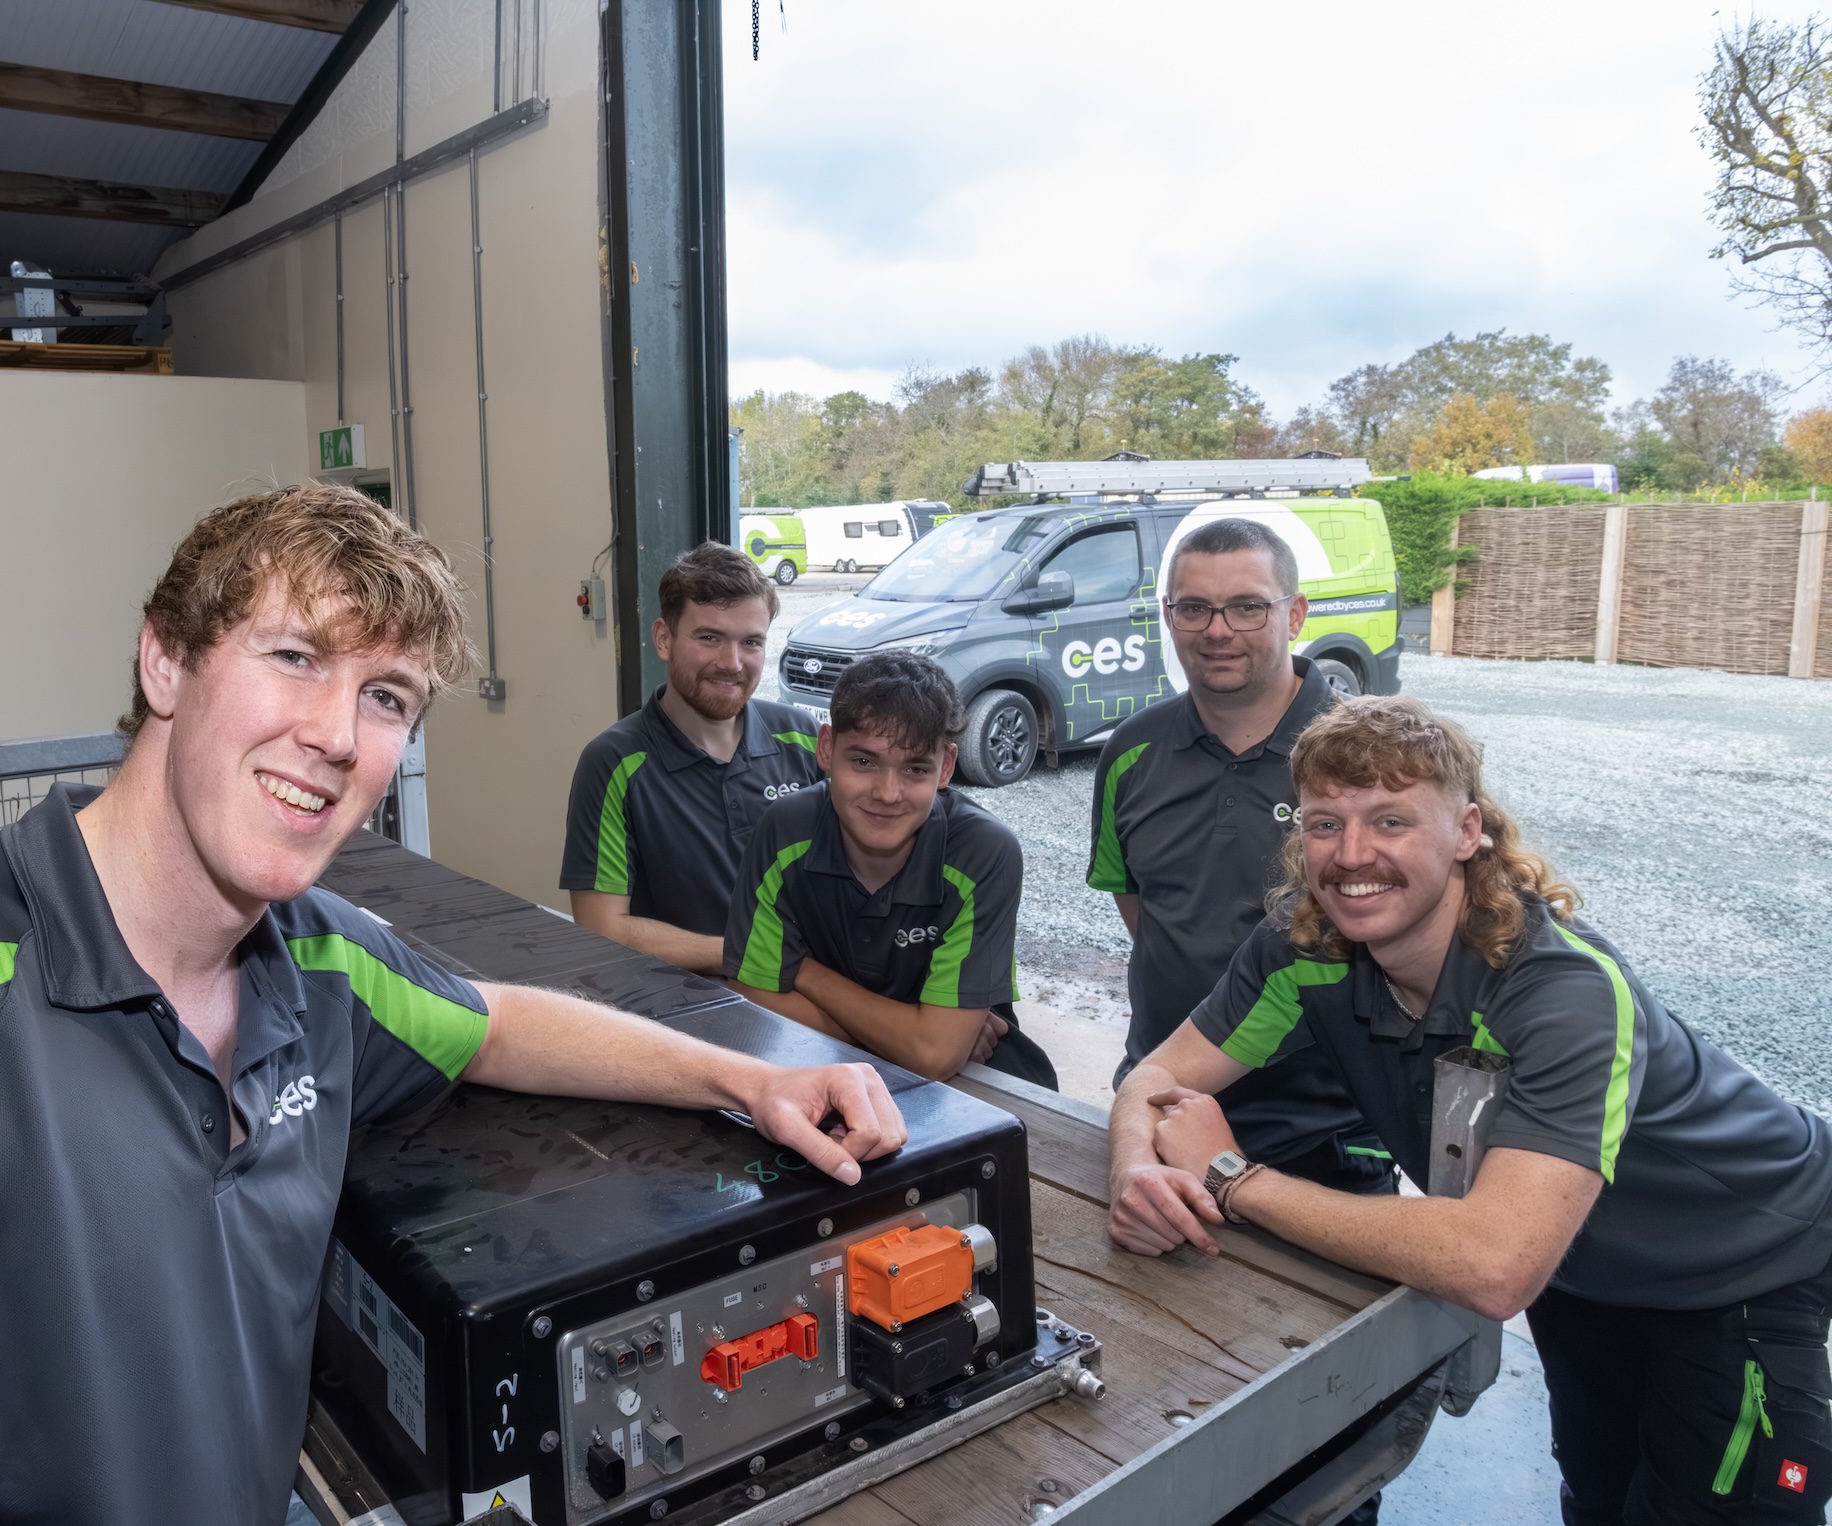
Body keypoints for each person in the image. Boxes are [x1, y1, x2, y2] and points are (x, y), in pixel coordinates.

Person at [0, 486, 907, 1526]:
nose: (337, 732)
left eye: (386, 696)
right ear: (165, 665)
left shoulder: (313, 963)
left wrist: (751, 1080)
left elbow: (493, 1018)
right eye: (295, 657)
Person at [1109, 695, 1832, 1526]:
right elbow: (1153, 1078)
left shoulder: (1562, 992)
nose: (1351, 856)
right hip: (1585, 1267)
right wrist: (1135, 1168)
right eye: (1323, 824)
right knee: (1600, 1496)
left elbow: (1495, 1266)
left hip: (1739, 1259)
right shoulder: (1306, 951)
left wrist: (1234, 1178)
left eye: (1389, 821)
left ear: (1466, 832)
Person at [1088, 517, 1391, 1193]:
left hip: (1325, 1131)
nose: (1216, 630)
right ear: (1168, 616)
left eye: (1247, 606)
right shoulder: (1131, 752)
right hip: (1162, 1104)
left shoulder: (1368, 756)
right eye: (1194, 607)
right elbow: (1137, 902)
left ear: (1296, 612)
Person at [719, 651, 1057, 1088]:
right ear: (826, 748)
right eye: (863, 762)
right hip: (822, 1075)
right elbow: (752, 997)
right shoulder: (785, 829)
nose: (888, 793)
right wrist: (910, 1037)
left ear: (946, 767)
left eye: (916, 768)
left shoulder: (983, 852)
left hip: (977, 1085)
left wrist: (803, 972)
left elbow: (935, 1058)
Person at [560, 542, 822, 973]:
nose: (732, 663)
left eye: (751, 642)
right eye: (709, 638)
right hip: (691, 1006)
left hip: (815, 991)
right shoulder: (614, 763)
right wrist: (760, 957)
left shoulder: (805, 739)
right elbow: (601, 928)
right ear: (664, 639)